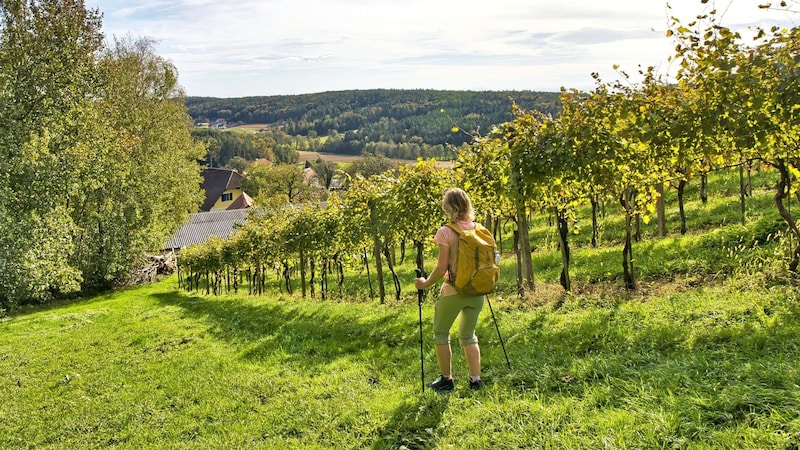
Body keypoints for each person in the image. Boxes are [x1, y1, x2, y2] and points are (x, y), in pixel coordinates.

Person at [415, 188, 484, 392]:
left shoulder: (446, 232)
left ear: (447, 208)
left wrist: (425, 283)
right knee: (469, 335)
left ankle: (447, 380)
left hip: (453, 291)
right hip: (477, 292)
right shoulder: (479, 229)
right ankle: (475, 380)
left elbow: (441, 267)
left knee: (441, 334)